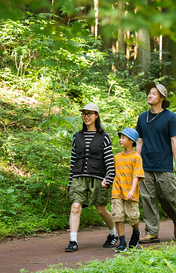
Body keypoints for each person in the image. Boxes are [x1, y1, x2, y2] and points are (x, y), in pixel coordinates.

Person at [65, 103, 118, 252]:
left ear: (96, 116)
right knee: (75, 207)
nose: (86, 116)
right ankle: (73, 241)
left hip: (98, 177)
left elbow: (109, 160)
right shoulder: (77, 136)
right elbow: (73, 160)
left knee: (101, 210)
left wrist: (109, 178)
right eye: (84, 114)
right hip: (78, 177)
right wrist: (70, 183)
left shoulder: (104, 136)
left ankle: (113, 234)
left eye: (90, 113)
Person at [135, 82, 176, 244]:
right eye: (149, 93)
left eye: (154, 93)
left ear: (162, 98)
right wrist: (136, 163)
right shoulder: (142, 117)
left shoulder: (170, 117)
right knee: (148, 199)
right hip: (146, 166)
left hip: (164, 165)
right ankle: (152, 232)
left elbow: (174, 141)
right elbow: (139, 141)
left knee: (168, 198)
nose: (149, 95)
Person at [111, 127, 145, 252]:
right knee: (118, 215)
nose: (120, 140)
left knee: (132, 217)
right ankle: (122, 241)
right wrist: (106, 180)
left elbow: (137, 175)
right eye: (120, 137)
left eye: (123, 138)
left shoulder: (136, 157)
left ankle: (136, 232)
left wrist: (132, 190)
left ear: (131, 141)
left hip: (131, 191)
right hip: (117, 191)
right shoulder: (117, 157)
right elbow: (113, 173)